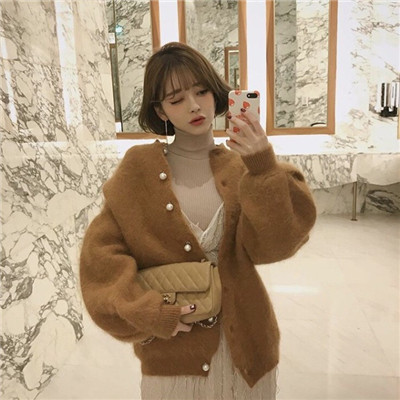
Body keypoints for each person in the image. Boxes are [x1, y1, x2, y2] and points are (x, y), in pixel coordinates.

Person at [80, 42, 316, 399]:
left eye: (202, 91)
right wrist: (149, 312)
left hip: (247, 348)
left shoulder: (242, 167)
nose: (194, 105)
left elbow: (275, 246)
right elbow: (100, 260)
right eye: (176, 99)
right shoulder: (138, 169)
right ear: (159, 109)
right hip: (172, 356)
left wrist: (263, 167)